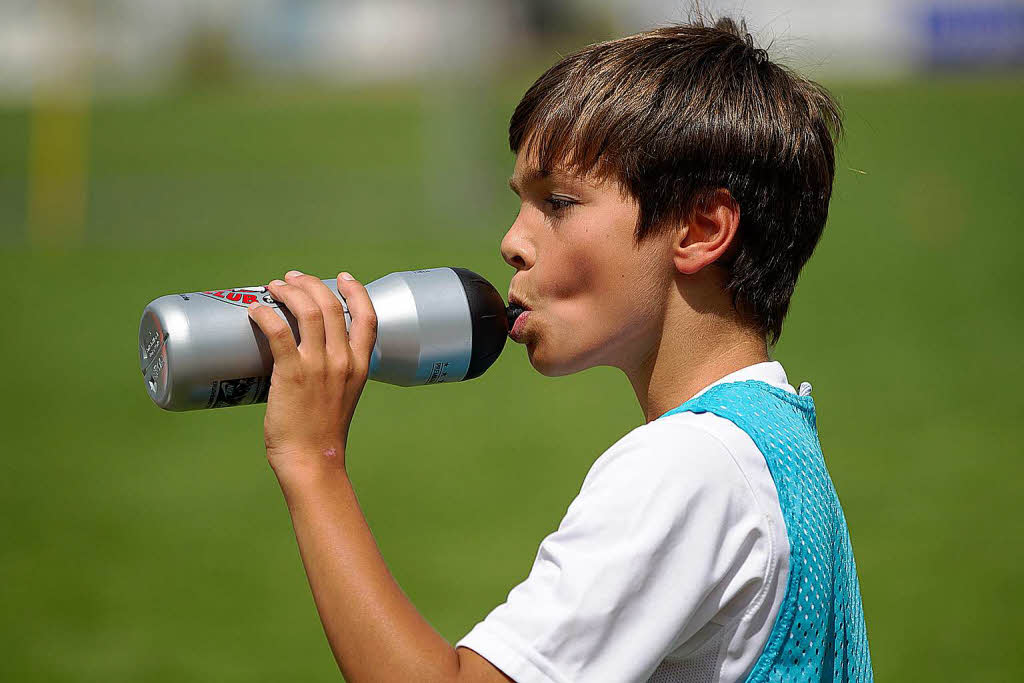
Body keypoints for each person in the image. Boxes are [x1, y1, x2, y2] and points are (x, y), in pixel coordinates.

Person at [244, 14, 873, 683]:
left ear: (700, 227)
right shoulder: (774, 444)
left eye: (559, 202)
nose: (512, 242)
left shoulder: (689, 468)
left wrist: (315, 460)